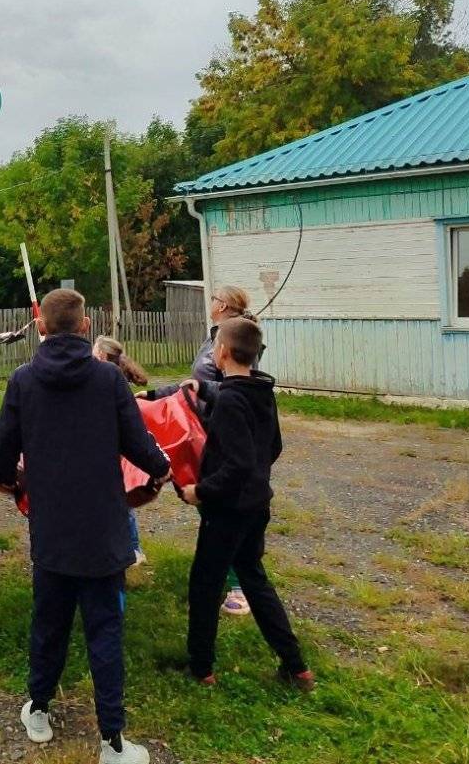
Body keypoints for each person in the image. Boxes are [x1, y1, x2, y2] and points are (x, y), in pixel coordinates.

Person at [0, 289, 170, 764]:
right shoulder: (108, 379)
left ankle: (39, 709)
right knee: (105, 631)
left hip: (51, 529)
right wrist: (162, 467)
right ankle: (112, 742)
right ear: (85, 326)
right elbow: (138, 444)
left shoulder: (22, 381)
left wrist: (18, 481)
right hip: (103, 529)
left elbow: (2, 457)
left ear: (43, 328)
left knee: (48, 622)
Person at [179, 317, 314, 692]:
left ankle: (200, 666)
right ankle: (295, 665)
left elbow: (235, 465)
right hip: (257, 504)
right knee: (253, 576)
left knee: (205, 583)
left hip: (228, 511)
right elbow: (273, 448)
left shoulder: (229, 403)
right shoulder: (260, 391)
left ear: (221, 352)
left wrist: (201, 491)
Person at [139, 284, 257, 618]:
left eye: (215, 299)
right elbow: (191, 384)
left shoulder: (236, 337)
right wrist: (153, 395)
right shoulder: (213, 337)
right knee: (208, 508)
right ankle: (222, 578)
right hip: (199, 427)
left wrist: (206, 391)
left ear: (223, 305)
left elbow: (235, 385)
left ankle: (240, 585)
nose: (211, 304)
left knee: (220, 509)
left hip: (218, 431)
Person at [93, 336, 150, 568]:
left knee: (121, 501)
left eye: (93, 351)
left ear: (102, 357)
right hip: (110, 450)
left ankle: (134, 548)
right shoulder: (108, 380)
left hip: (116, 451)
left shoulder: (113, 384)